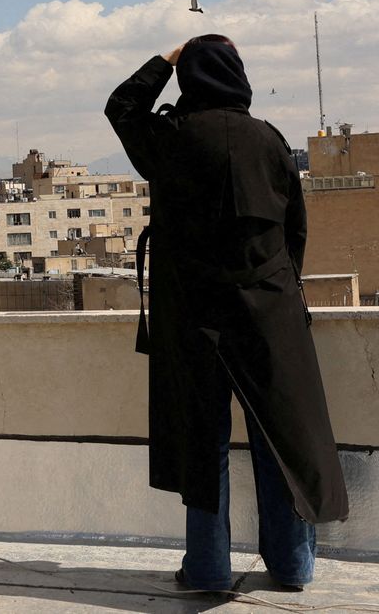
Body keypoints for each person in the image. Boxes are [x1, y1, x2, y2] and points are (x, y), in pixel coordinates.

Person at [104, 35, 348, 592]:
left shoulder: (169, 139)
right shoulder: (269, 140)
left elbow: (121, 106)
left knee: (202, 441)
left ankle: (209, 568)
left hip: (193, 314)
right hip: (269, 309)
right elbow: (296, 231)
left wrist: (165, 62)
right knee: (279, 437)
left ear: (189, 77)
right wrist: (278, 293)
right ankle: (291, 565)